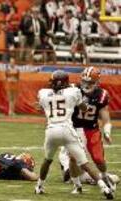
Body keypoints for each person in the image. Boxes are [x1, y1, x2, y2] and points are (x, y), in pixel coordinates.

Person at [34, 70, 114, 199]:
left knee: (47, 160)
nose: (87, 85)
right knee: (84, 162)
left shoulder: (43, 93)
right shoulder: (73, 91)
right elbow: (83, 108)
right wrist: (86, 107)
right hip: (69, 129)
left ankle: (39, 186)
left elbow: (43, 105)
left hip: (52, 130)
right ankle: (103, 187)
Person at [59, 66, 116, 192]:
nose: (86, 84)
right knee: (74, 159)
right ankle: (77, 185)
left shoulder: (101, 94)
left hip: (92, 130)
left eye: (90, 82)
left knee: (99, 160)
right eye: (84, 81)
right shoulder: (73, 90)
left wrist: (107, 132)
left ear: (97, 82)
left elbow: (105, 118)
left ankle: (105, 176)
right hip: (74, 129)